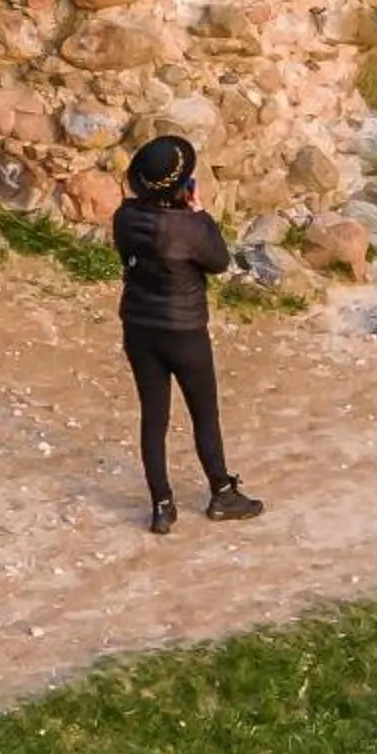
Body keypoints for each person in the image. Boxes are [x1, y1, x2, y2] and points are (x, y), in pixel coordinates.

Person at [112, 133, 265, 536]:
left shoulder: (124, 217)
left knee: (154, 417)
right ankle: (221, 493)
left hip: (139, 328)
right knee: (203, 414)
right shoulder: (188, 228)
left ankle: (162, 506)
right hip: (184, 332)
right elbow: (218, 261)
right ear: (184, 187)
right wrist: (200, 215)